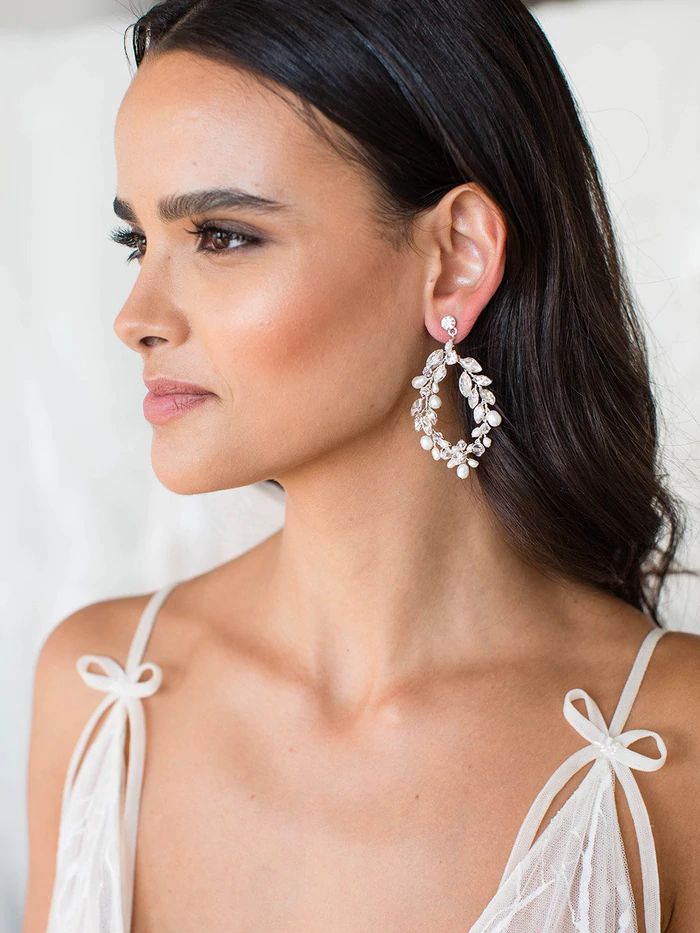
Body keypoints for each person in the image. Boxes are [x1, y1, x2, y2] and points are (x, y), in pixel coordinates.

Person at [22, 0, 700, 930]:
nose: (137, 314)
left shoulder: (675, 752)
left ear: (456, 259)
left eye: (220, 235)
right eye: (136, 240)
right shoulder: (99, 688)